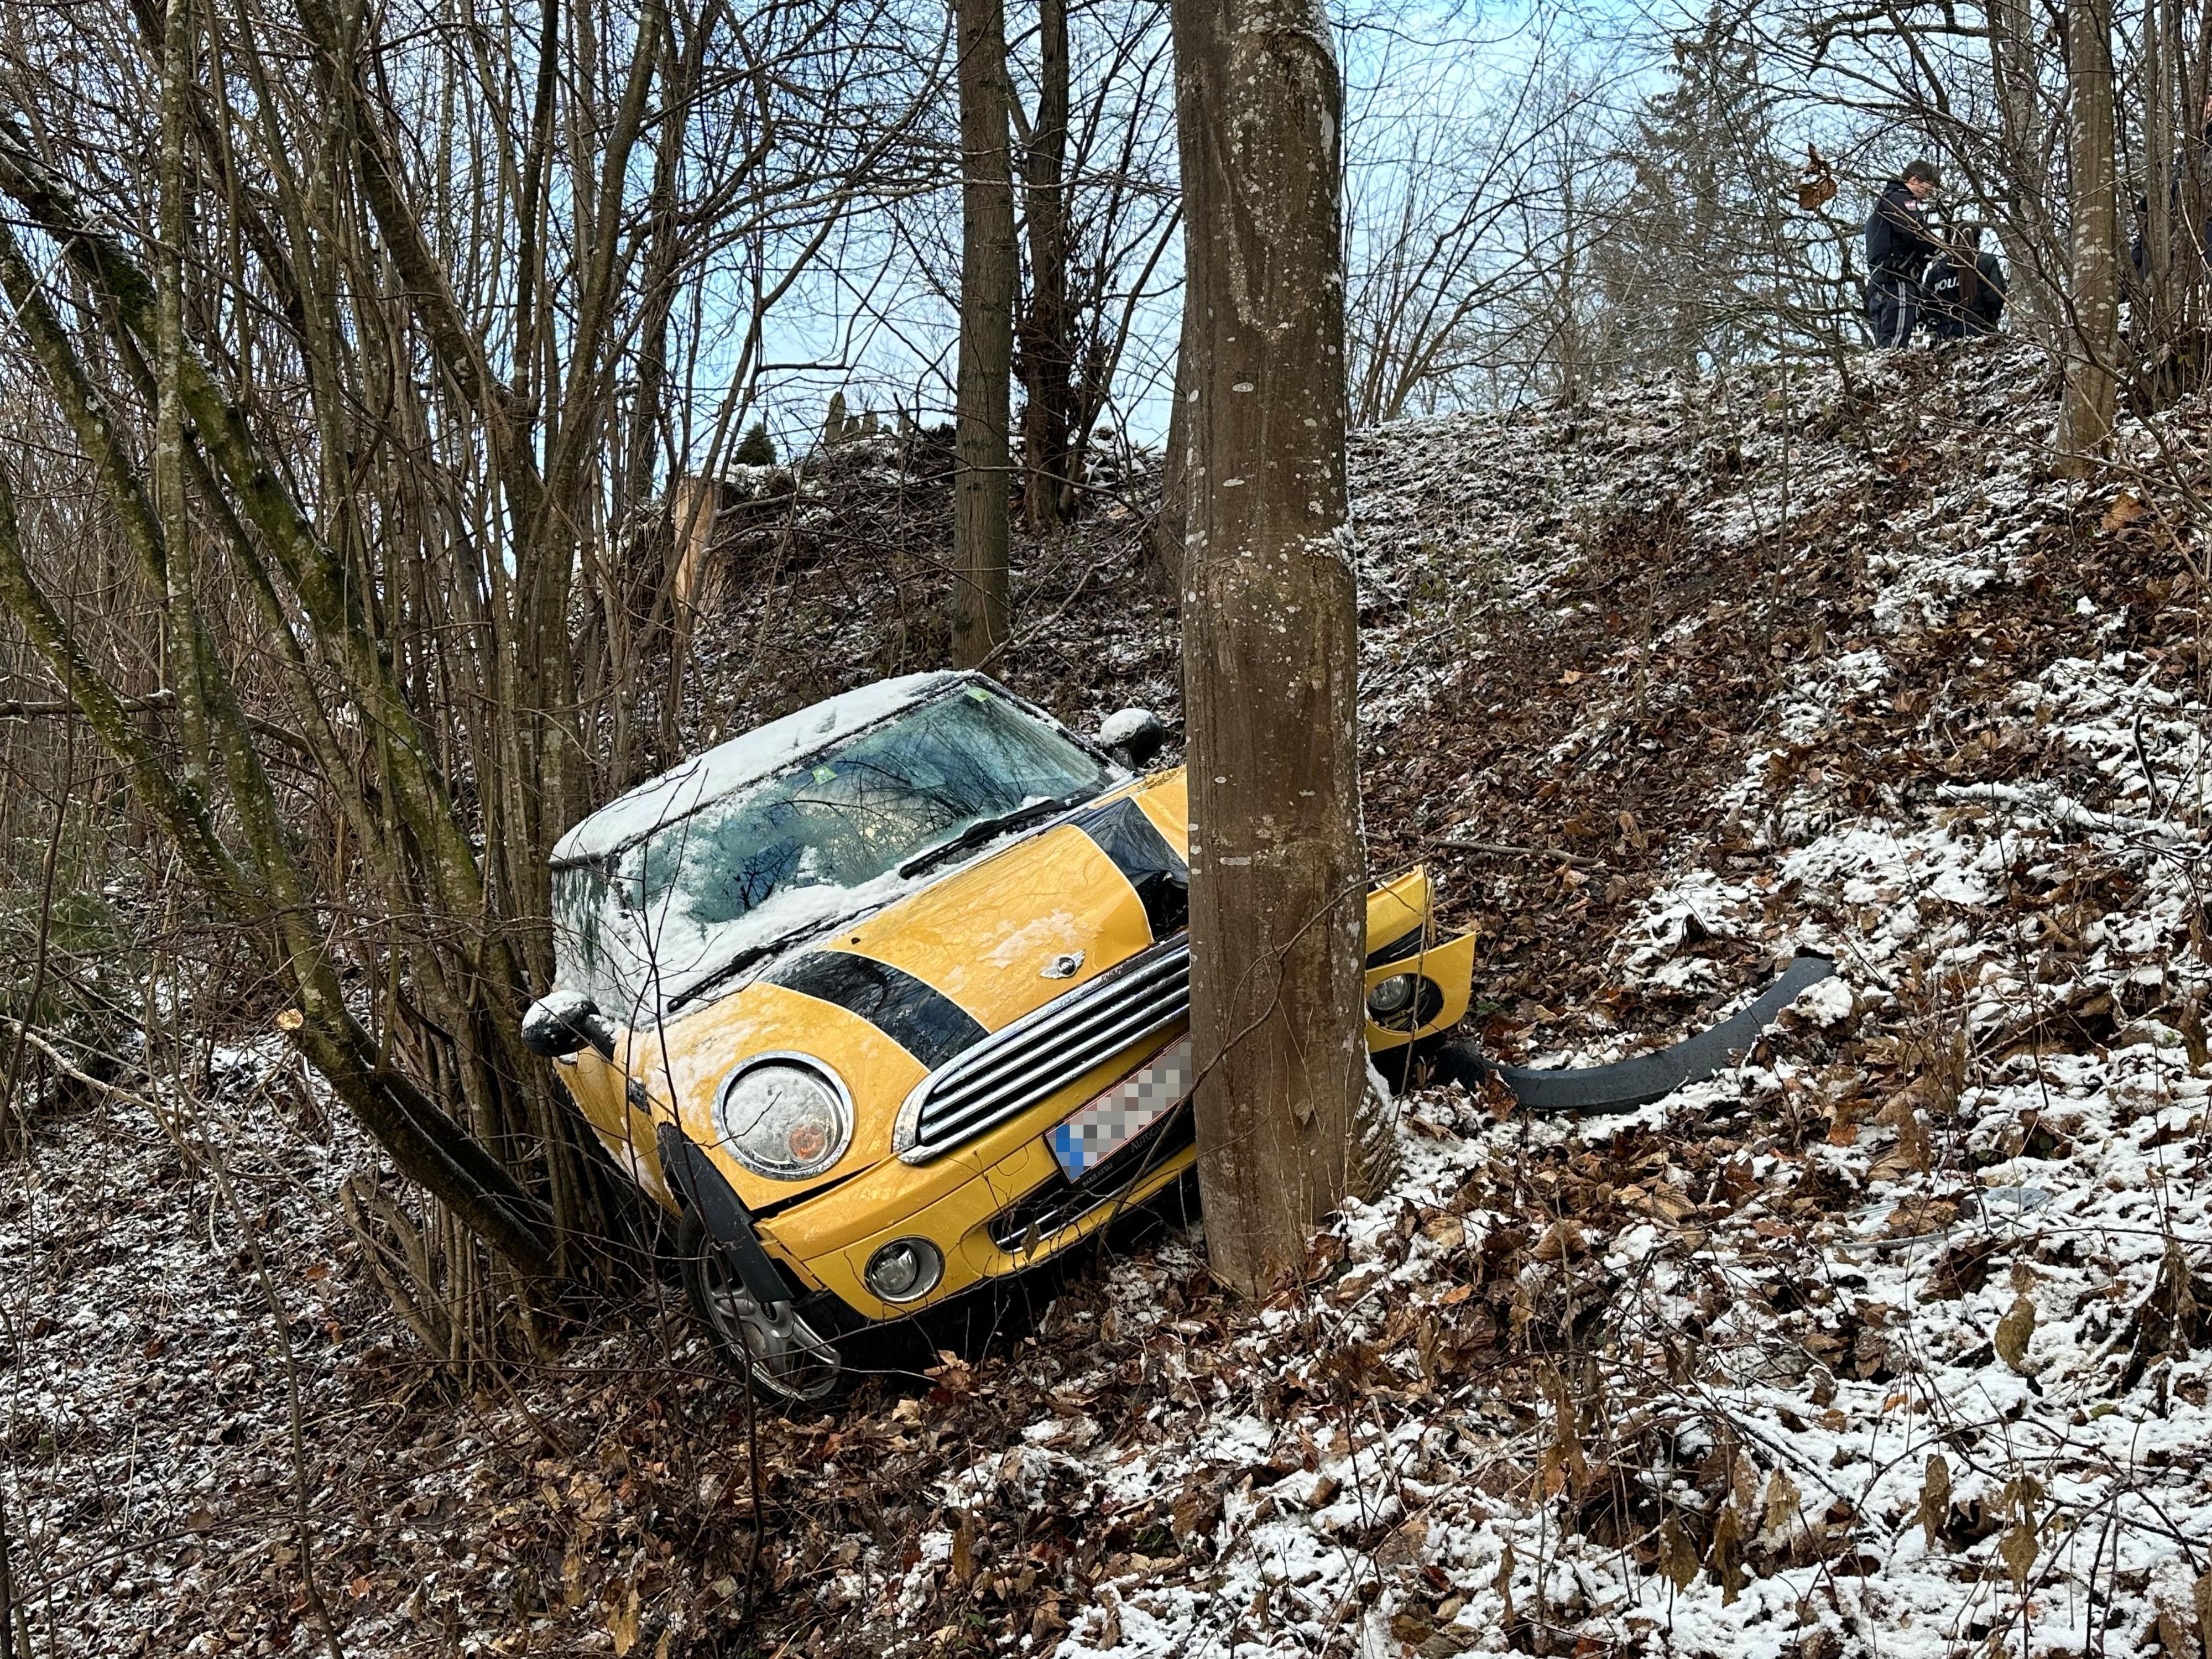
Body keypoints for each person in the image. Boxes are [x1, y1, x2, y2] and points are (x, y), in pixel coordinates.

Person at [1865, 159, 1943, 347]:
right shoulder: (1900, 199)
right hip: (1897, 280)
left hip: (1880, 282)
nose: (1925, 198)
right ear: (1915, 180)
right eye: (1927, 190)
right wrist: (1939, 249)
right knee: (1896, 344)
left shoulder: (1883, 206)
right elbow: (1915, 231)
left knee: (1885, 342)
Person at [1923, 226, 2007, 339]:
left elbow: (1927, 302)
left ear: (1955, 240)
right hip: (1978, 329)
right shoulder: (1987, 262)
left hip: (1944, 331)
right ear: (1978, 241)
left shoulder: (1938, 269)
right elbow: (1995, 298)